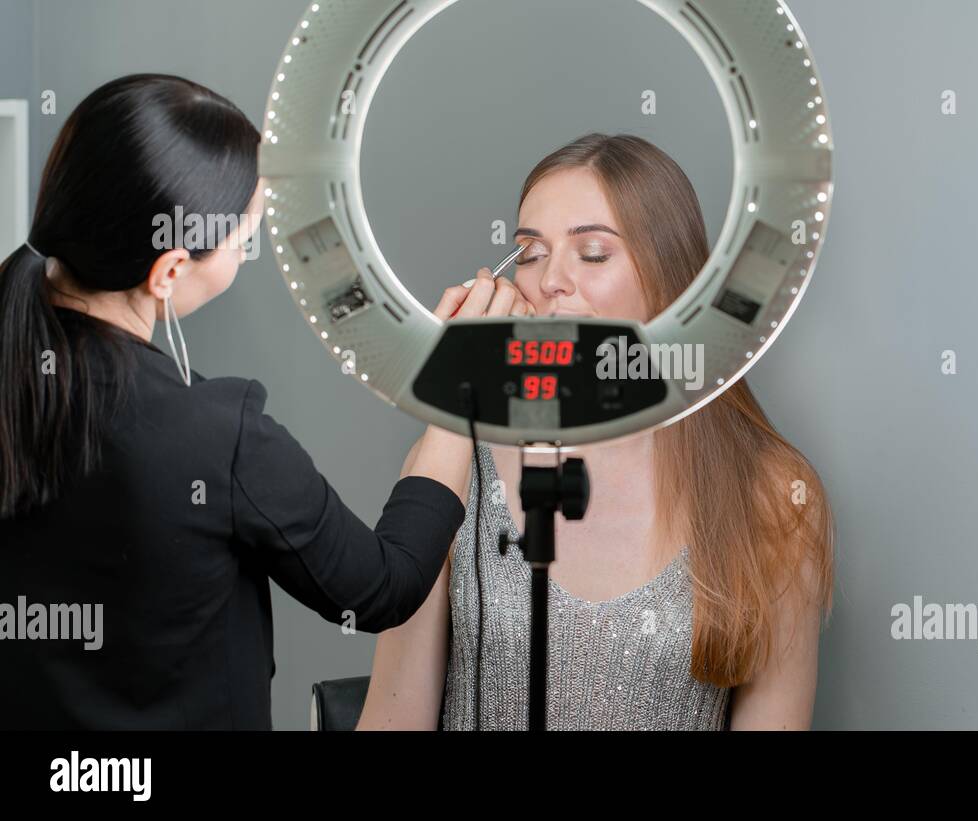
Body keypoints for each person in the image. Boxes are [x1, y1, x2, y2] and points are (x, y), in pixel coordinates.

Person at [0, 74, 472, 729]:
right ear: (167, 270)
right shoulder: (218, 436)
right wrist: (460, 390)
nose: (246, 255)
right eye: (241, 238)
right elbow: (380, 586)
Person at [359, 133, 835, 731]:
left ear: (672, 281)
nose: (552, 280)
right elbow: (391, 719)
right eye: (530, 254)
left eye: (592, 253)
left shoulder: (774, 496)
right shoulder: (453, 467)